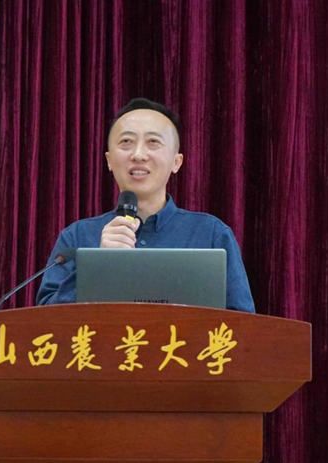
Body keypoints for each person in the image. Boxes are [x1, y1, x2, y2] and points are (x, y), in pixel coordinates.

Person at [36, 98, 255, 312]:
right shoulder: (76, 238)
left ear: (176, 162)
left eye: (153, 142)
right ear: (109, 160)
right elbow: (45, 322)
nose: (138, 155)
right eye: (126, 142)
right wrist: (99, 265)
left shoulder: (211, 235)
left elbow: (244, 323)